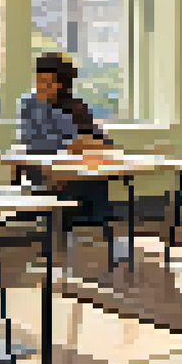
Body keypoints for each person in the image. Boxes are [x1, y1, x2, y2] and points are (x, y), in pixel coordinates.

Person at [17, 52, 116, 233]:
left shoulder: (75, 106)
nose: (41, 87)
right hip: (42, 169)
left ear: (62, 84)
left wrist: (81, 143)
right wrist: (73, 143)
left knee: (96, 179)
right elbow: (33, 141)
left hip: (73, 170)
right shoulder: (29, 105)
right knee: (73, 181)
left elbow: (104, 143)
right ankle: (64, 232)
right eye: (39, 81)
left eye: (48, 82)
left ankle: (92, 231)